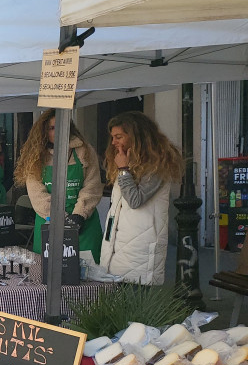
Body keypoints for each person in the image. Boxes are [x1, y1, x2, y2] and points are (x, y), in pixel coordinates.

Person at [99, 112, 183, 285]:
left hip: (141, 247)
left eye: (119, 137)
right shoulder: (129, 162)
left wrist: (123, 169)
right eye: (112, 137)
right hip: (120, 243)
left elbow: (135, 200)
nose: (114, 142)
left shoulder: (156, 165)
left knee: (134, 301)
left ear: (136, 136)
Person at [15, 110, 104, 262]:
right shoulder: (35, 156)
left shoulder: (85, 151)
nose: (58, 131)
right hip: (48, 221)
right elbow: (37, 194)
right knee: (49, 271)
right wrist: (59, 217)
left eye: (61, 126)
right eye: (52, 128)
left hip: (84, 223)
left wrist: (78, 215)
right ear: (44, 131)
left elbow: (92, 185)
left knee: (88, 273)